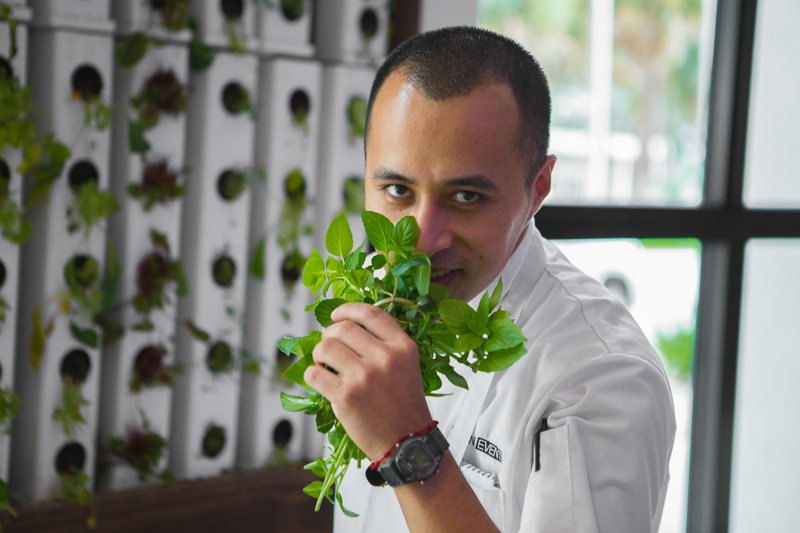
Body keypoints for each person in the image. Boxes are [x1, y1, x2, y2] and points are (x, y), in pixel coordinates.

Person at [305, 26, 676, 533]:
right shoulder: (376, 306)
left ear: (537, 188)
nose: (422, 240)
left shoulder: (602, 378)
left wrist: (409, 446)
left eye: (465, 197)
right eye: (396, 190)